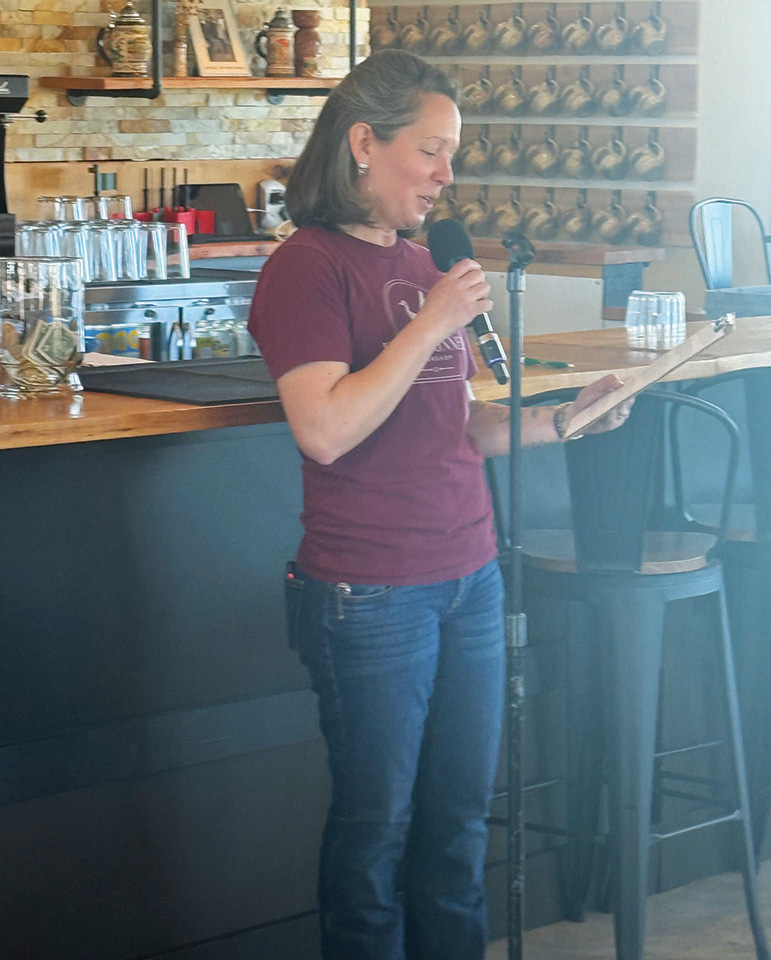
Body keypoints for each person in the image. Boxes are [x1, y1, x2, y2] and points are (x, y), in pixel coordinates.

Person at [248, 49, 632, 960]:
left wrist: (563, 422)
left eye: (451, 153)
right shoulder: (305, 269)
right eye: (430, 150)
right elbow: (324, 429)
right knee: (375, 835)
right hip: (371, 593)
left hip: (468, 575)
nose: (445, 174)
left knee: (459, 827)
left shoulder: (425, 263)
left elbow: (459, 425)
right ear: (363, 145)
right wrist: (429, 322)